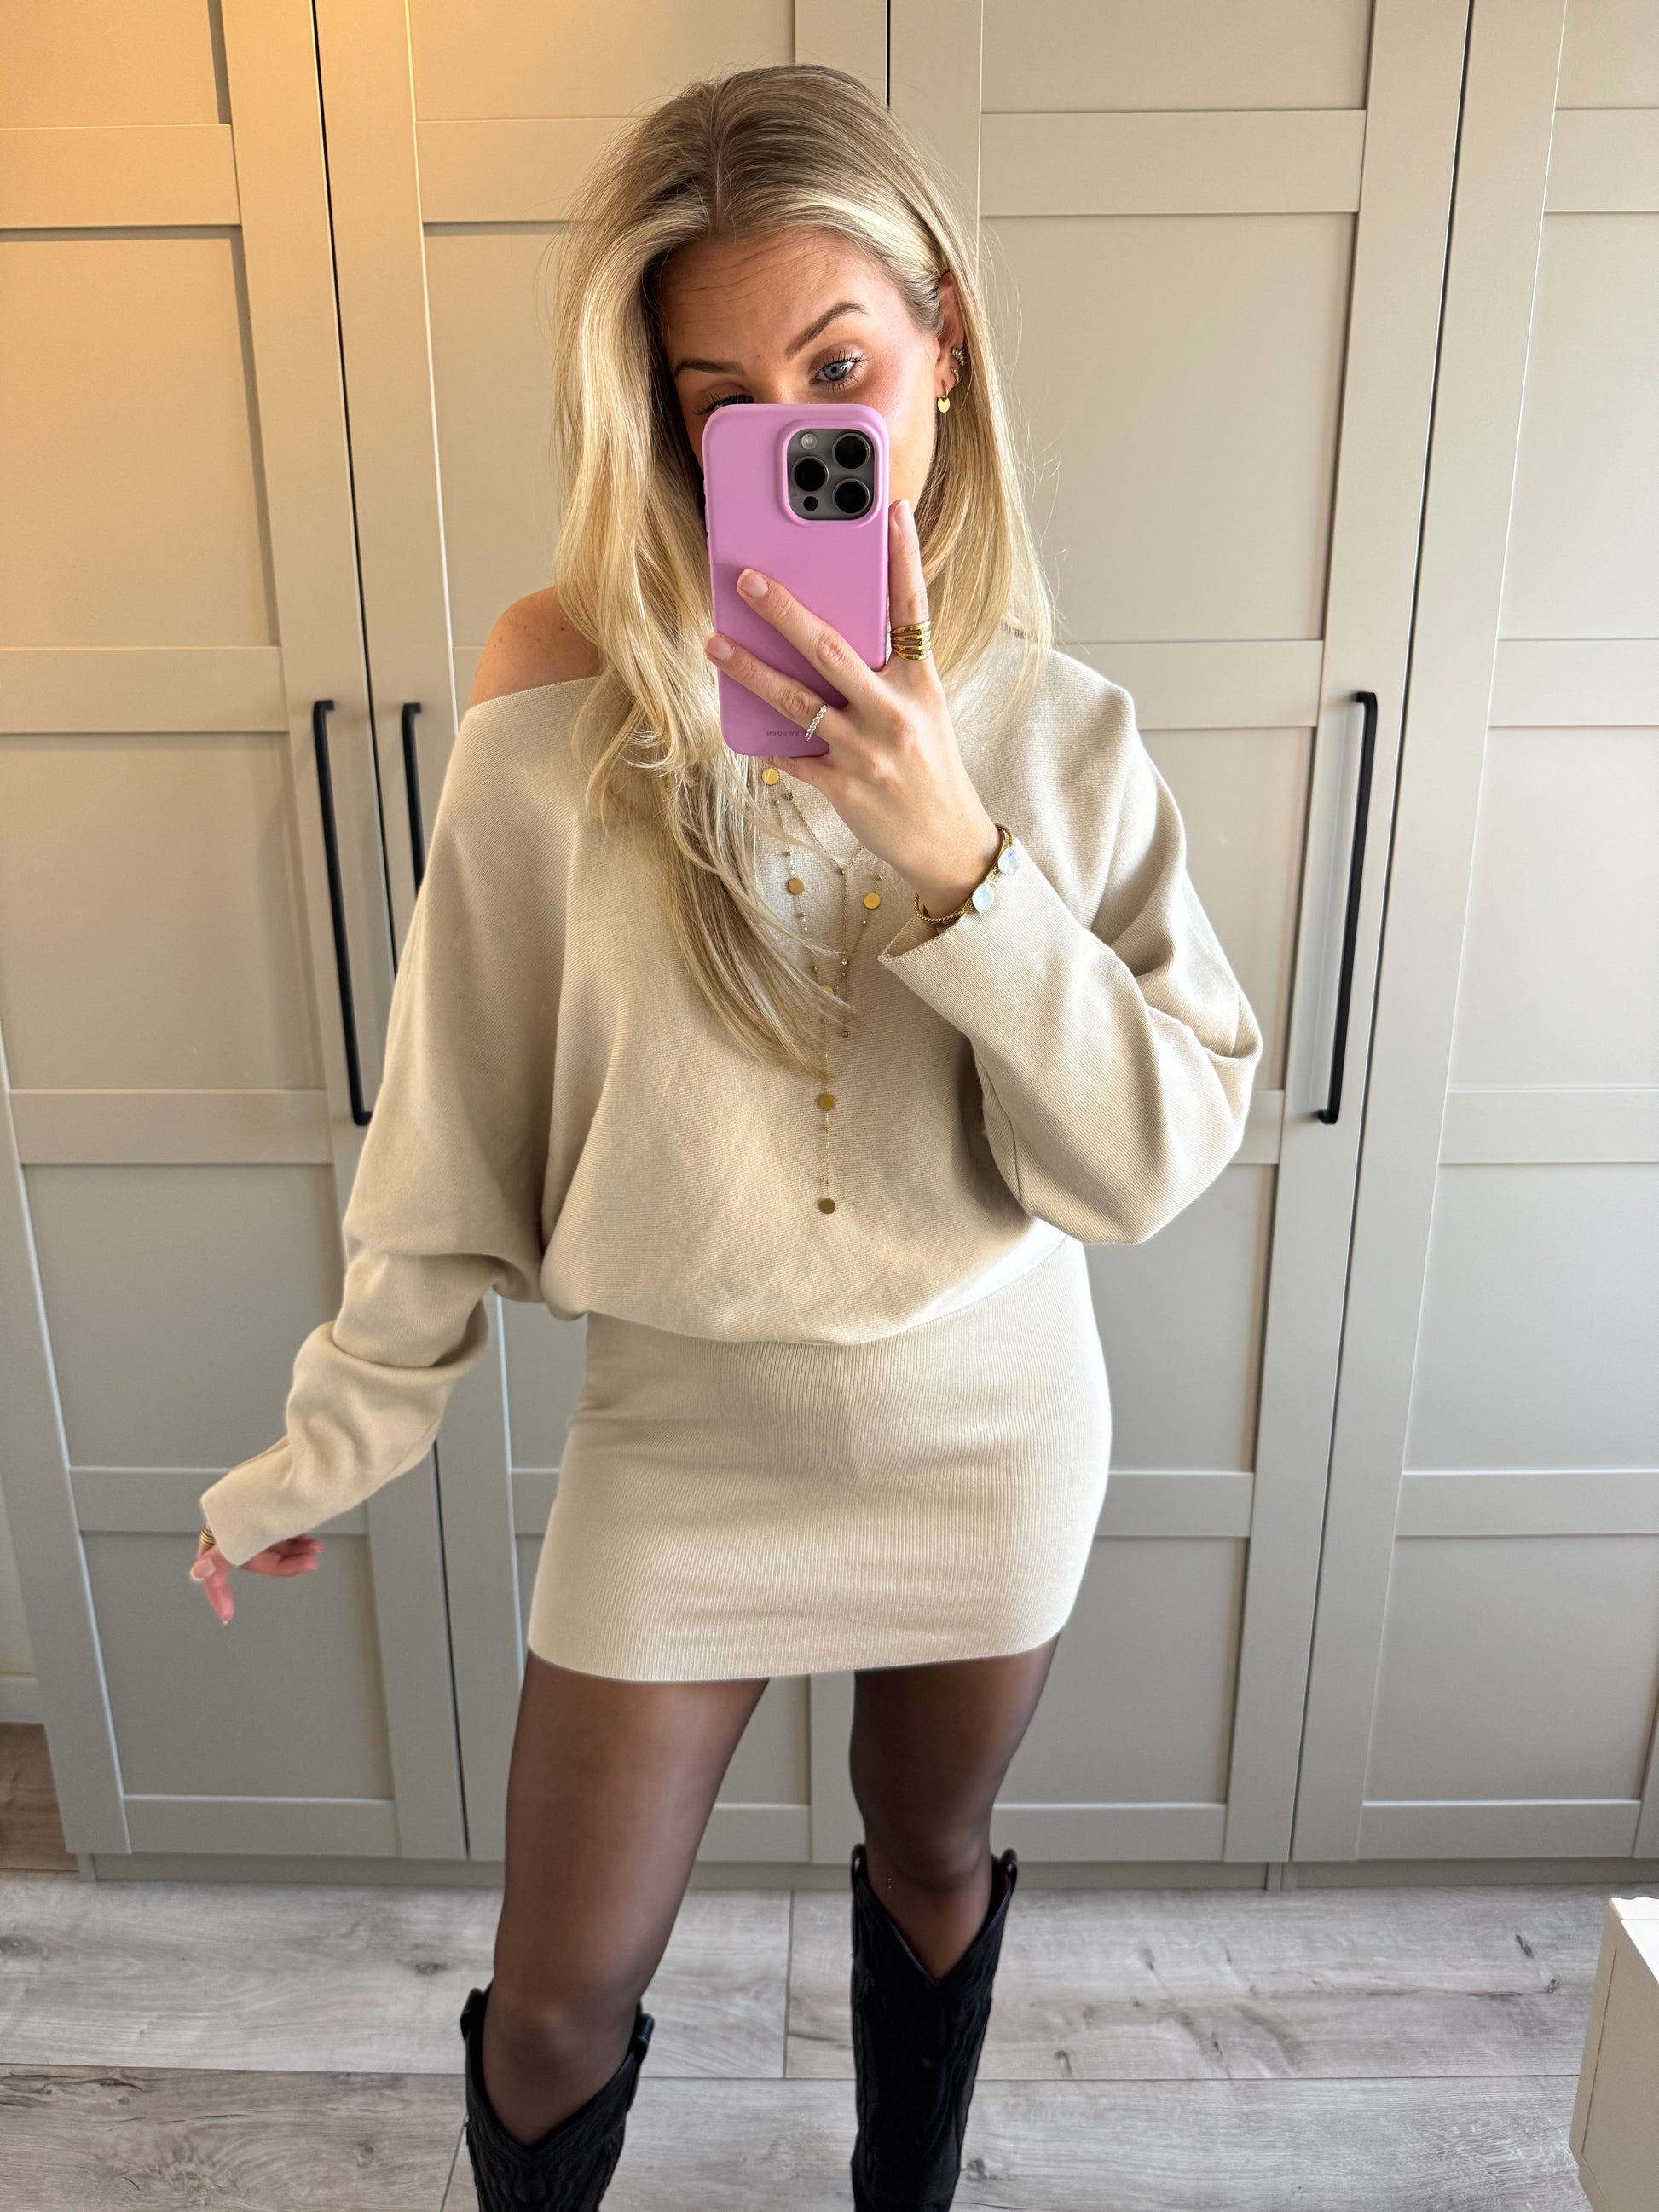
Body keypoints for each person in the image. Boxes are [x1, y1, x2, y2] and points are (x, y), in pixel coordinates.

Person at [188, 61, 1261, 2212]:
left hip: (988, 1418)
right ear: (661, 423)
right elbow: (451, 1119)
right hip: (676, 1435)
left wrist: (957, 859)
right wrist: (329, 1440)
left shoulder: (1060, 734)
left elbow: (1151, 1157)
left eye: (838, 369)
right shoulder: (551, 685)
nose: (781, 432)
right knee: (551, 2003)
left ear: (941, 352)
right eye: (718, 400)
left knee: (932, 1850)